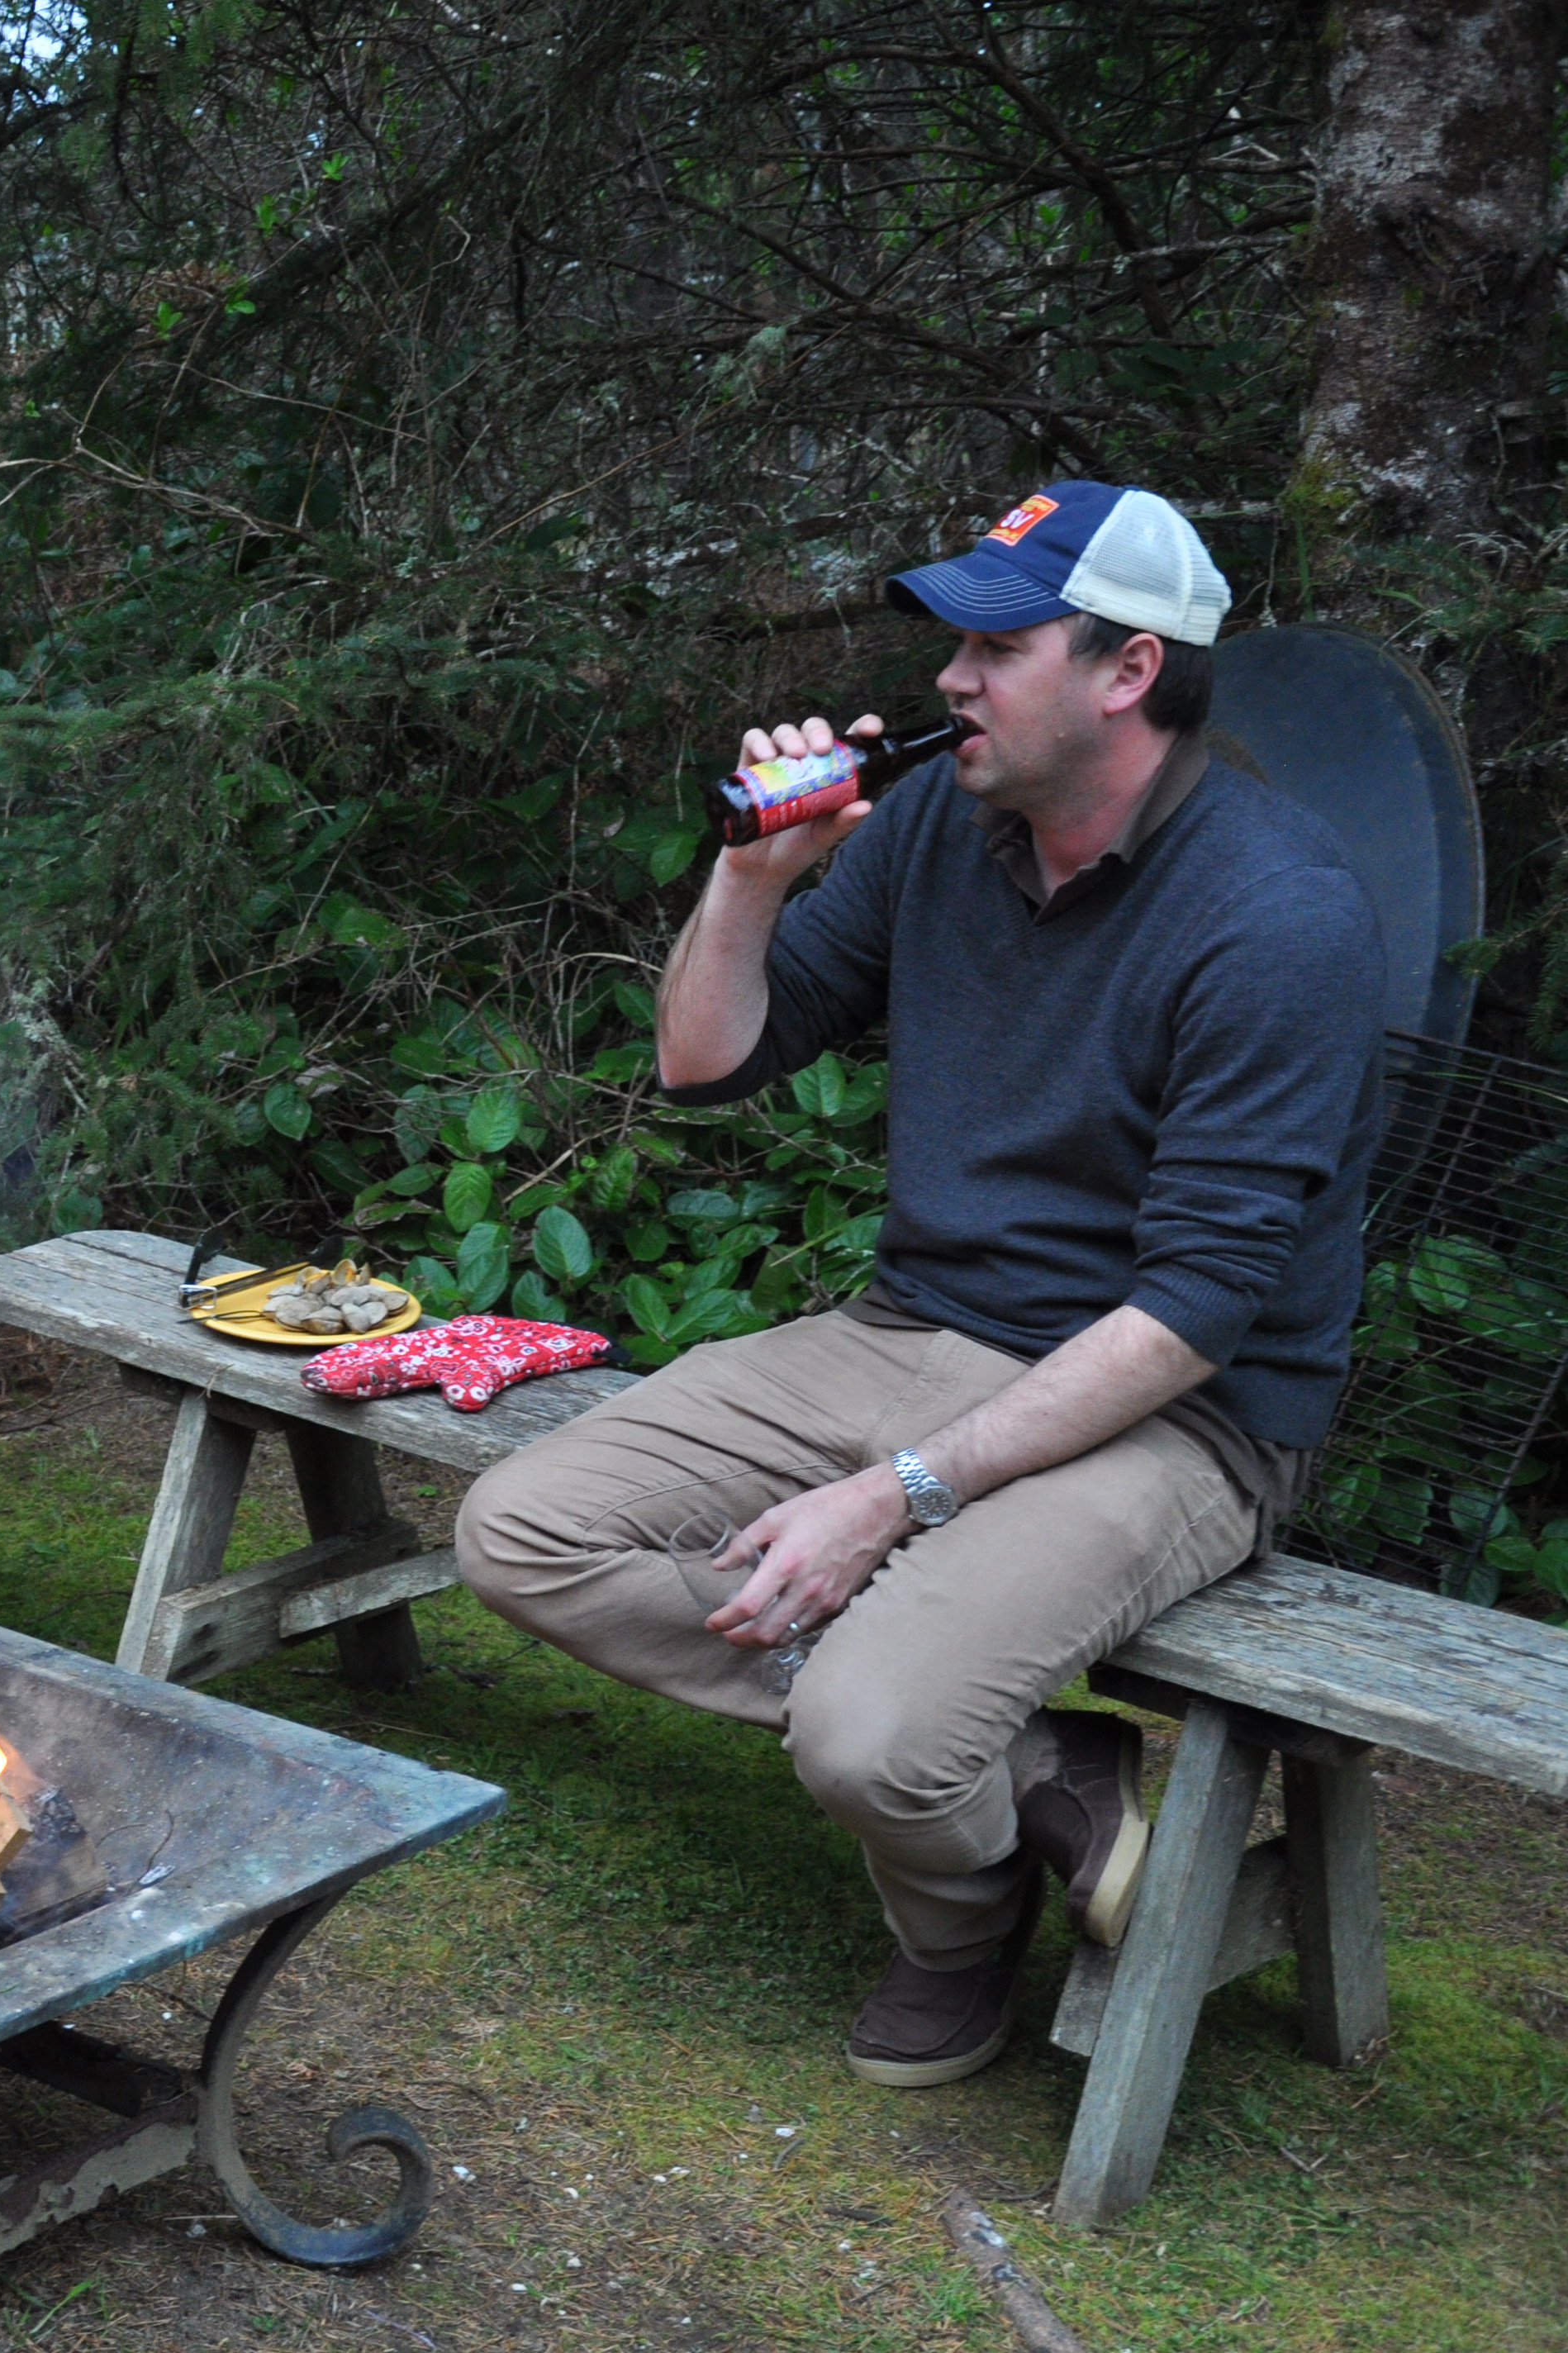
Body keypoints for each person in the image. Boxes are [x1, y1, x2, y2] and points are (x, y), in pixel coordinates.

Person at [455, 483, 1386, 2088]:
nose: (949, 678)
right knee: (519, 1531)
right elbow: (704, 1064)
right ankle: (1037, 1769)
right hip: (908, 1327)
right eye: (952, 642)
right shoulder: (942, 830)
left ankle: (951, 1923)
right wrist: (752, 875)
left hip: (1178, 1409)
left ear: (1126, 671)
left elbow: (1193, 1309)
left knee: (868, 1733)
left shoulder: (1274, 913)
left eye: (996, 646)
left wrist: (891, 1494)